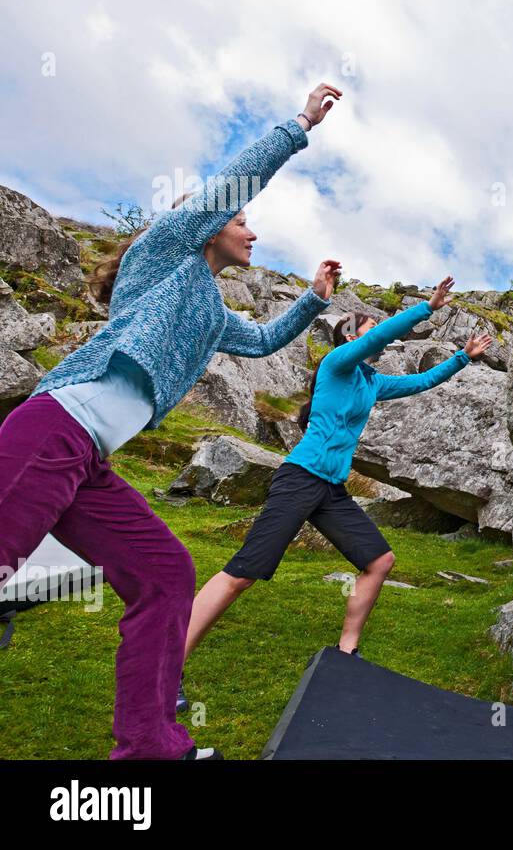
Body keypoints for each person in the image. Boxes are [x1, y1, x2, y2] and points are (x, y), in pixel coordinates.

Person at [0, 82, 345, 759]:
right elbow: (227, 186)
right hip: (53, 430)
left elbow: (266, 341)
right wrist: (300, 124)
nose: (253, 230)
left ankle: (151, 746)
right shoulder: (159, 260)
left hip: (86, 463)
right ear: (209, 223)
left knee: (165, 574)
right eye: (242, 221)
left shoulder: (211, 312)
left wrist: (310, 299)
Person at [180, 277, 492, 704]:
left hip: (331, 489)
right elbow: (383, 333)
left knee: (379, 560)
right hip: (299, 478)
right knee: (244, 573)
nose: (376, 331)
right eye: (368, 327)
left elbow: (420, 383)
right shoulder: (337, 364)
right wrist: (428, 308)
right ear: (350, 335)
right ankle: (169, 665)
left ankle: (348, 651)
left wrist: (462, 358)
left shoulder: (371, 382)